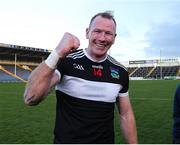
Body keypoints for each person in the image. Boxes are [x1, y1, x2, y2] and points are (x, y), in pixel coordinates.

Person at [23, 11, 137, 144]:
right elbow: (30, 98)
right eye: (97, 31)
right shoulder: (66, 61)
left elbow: (126, 115)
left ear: (114, 38)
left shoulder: (120, 71)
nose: (102, 38)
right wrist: (57, 52)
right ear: (87, 32)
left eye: (108, 33)